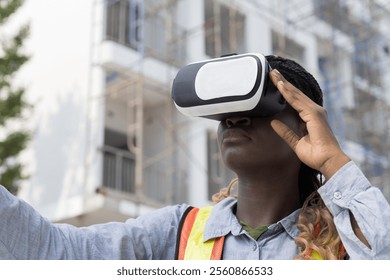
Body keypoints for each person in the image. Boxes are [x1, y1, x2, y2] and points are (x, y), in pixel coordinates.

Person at [0, 55, 389, 259]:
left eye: (257, 107)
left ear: (307, 123)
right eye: (226, 111)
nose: (234, 119)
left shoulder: (348, 241)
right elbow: (55, 253)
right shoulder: (175, 234)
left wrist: (335, 165)